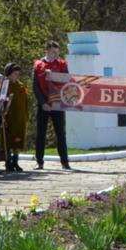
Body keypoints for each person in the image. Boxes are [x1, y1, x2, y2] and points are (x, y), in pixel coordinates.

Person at [33, 39, 71, 170]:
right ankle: (39, 161)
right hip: (43, 104)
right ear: (47, 51)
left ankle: (65, 162)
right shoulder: (38, 64)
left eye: (57, 52)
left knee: (60, 133)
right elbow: (35, 86)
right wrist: (42, 103)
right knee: (40, 134)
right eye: (53, 51)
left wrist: (55, 76)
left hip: (57, 103)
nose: (56, 54)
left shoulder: (62, 64)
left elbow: (67, 81)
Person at [2, 60, 29, 174]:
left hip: (20, 118)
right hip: (9, 118)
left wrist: (26, 116)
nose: (17, 76)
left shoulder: (21, 86)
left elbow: (25, 103)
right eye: (15, 74)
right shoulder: (5, 86)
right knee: (8, 140)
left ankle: (15, 161)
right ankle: (8, 161)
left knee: (18, 141)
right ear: (9, 74)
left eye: (18, 74)